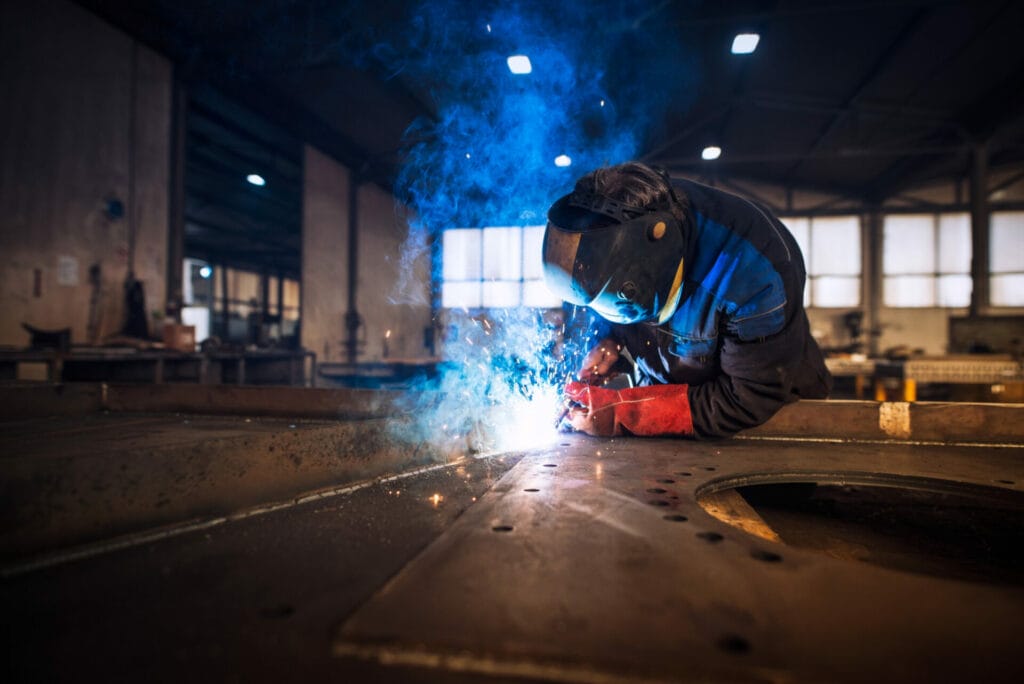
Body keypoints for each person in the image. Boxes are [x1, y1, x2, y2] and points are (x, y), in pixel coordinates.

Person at [542, 161, 832, 439]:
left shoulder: (755, 270)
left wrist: (624, 414)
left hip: (767, 430)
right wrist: (609, 340)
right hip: (668, 413)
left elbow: (749, 397)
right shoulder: (617, 230)